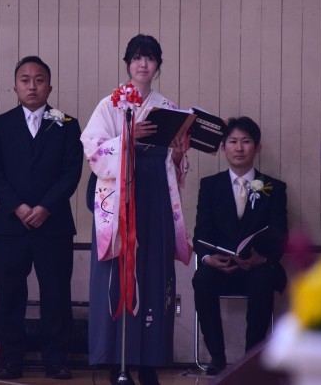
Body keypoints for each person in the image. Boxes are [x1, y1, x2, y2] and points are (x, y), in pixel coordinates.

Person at [81, 34, 192, 385]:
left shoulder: (167, 107)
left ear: (158, 65)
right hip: (122, 200)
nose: (143, 64)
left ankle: (149, 362)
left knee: (155, 274)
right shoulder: (111, 105)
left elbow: (174, 163)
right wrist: (129, 135)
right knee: (118, 275)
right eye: (137, 58)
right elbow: (93, 150)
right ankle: (118, 362)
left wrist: (177, 153)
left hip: (155, 193)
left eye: (150, 58)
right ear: (127, 63)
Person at [0, 55, 82, 380]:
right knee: (10, 294)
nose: (32, 86)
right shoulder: (0, 125)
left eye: (39, 80)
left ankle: (57, 359)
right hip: (12, 224)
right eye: (25, 80)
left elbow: (71, 172)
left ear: (49, 86)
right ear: (15, 87)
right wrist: (18, 207)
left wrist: (46, 207)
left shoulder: (66, 124)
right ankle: (11, 359)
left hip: (54, 223)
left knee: (56, 294)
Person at [192, 116, 288, 376]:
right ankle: (217, 358)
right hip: (221, 265)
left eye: (246, 141)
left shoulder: (273, 188)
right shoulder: (210, 186)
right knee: (202, 279)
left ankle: (250, 359)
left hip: (257, 266)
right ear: (223, 147)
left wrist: (261, 259)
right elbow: (201, 232)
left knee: (263, 279)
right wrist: (208, 258)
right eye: (233, 141)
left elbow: (280, 234)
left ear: (257, 147)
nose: (239, 148)